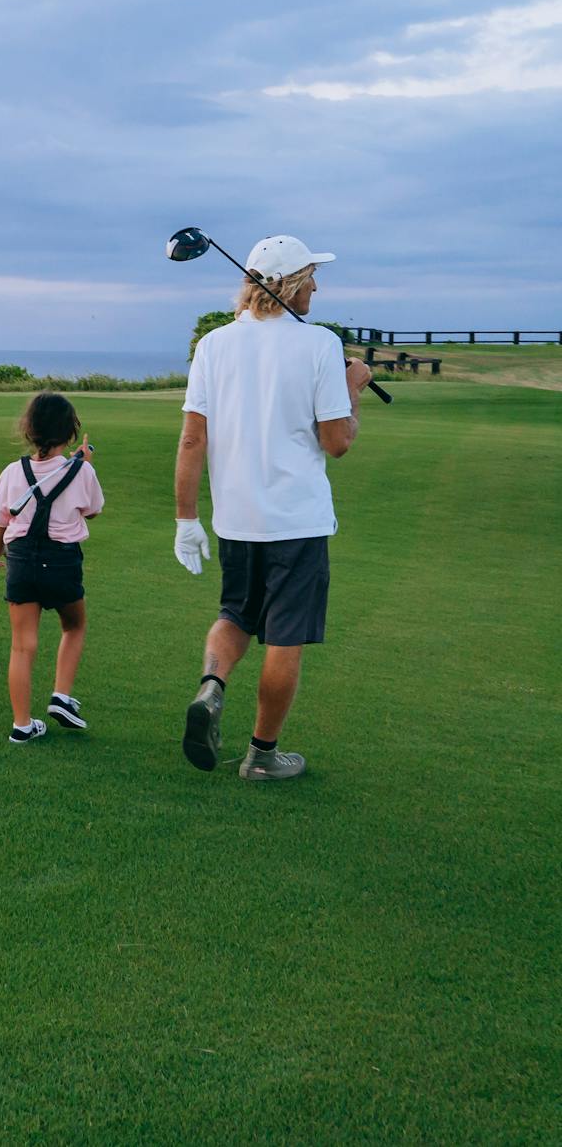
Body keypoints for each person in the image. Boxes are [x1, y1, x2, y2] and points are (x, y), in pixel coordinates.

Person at [174, 234, 373, 781]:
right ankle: (261, 756)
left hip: (237, 519)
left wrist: (186, 520)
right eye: (311, 277)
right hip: (297, 523)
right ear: (291, 283)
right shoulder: (320, 344)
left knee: (234, 616)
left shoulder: (213, 345)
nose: (317, 287)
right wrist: (354, 387)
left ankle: (212, 686)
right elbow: (337, 441)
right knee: (285, 638)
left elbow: (192, 440)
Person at [0, 392, 102, 743]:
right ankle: (61, 696)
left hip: (21, 561)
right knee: (74, 625)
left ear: (29, 430)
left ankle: (22, 725)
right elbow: (92, 511)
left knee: (22, 646)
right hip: (62, 561)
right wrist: (82, 464)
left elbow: (1, 519)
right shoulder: (82, 470)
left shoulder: (13, 472)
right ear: (70, 432)